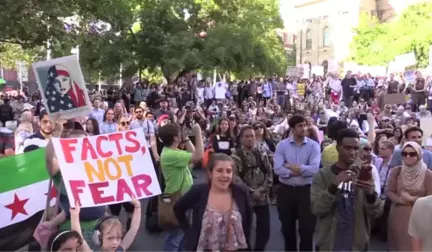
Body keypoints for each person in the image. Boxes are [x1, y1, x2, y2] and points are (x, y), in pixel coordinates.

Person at [311, 128, 383, 252]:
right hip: (330, 243)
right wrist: (333, 187)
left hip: (357, 243)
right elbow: (317, 209)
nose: (352, 152)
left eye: (356, 148)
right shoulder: (323, 175)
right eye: (347, 148)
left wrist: (371, 195)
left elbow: (376, 213)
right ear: (338, 148)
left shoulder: (363, 174)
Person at [174, 153, 252, 252]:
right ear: (210, 173)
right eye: (219, 171)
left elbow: (248, 219)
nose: (225, 175)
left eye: (229, 171)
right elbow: (178, 208)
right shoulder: (198, 192)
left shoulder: (240, 191)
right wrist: (189, 232)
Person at [273, 115, 320, 252]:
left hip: (307, 191)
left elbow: (314, 169)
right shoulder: (282, 145)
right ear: (292, 129)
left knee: (307, 231)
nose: (304, 128)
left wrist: (293, 167)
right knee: (287, 230)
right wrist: (300, 170)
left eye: (305, 125)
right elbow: (277, 169)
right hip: (286, 191)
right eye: (300, 126)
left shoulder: (314, 146)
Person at [159, 122, 204, 252]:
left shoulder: (171, 151)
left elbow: (193, 154)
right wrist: (198, 132)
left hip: (182, 197)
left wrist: (186, 138)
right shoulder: (171, 155)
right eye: (179, 133)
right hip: (177, 199)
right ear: (175, 138)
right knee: (174, 237)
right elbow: (199, 156)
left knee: (182, 235)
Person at [232, 125, 272, 252]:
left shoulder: (261, 153)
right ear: (241, 139)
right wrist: (251, 191)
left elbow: (269, 174)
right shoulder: (236, 156)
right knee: (244, 229)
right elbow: (236, 178)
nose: (250, 139)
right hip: (245, 198)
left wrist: (262, 190)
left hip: (262, 198)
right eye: (247, 136)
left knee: (264, 229)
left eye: (252, 136)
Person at [386, 141, 432, 252]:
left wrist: (412, 199)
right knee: (398, 246)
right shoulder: (396, 171)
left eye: (412, 154)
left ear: (419, 155)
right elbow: (390, 191)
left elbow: (430, 198)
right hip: (398, 215)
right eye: (404, 154)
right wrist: (401, 200)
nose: (408, 156)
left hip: (419, 216)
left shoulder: (428, 174)